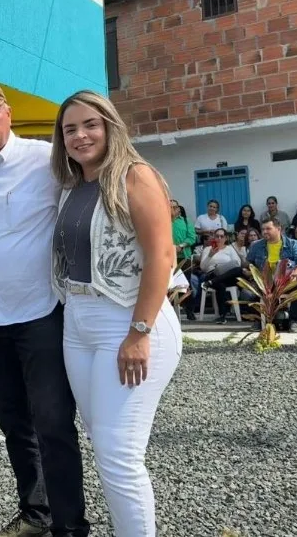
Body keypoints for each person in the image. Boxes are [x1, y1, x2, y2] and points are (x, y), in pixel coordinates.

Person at [0, 80, 88, 537]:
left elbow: (92, 191)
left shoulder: (44, 160)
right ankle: (36, 512)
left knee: (52, 421)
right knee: (13, 422)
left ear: (7, 114)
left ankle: (70, 524)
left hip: (40, 315)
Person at [50, 90, 181, 537]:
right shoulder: (72, 186)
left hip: (127, 321)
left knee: (118, 451)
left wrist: (139, 331)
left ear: (109, 126)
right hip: (79, 321)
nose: (80, 135)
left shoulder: (134, 175)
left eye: (90, 124)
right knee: (103, 442)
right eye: (70, 128)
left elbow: (162, 254)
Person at [241, 216, 297, 333]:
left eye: (268, 229)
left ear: (279, 229)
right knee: (246, 293)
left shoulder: (293, 244)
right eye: (263, 229)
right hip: (264, 282)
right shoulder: (256, 245)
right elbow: (247, 263)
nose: (264, 232)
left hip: (286, 281)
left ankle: (294, 321)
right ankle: (259, 320)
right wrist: (248, 269)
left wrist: (296, 273)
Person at [198, 228, 242, 324]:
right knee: (220, 284)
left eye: (221, 236)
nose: (219, 238)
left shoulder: (230, 249)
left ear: (226, 238)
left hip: (226, 275)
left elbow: (237, 263)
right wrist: (210, 255)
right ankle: (222, 316)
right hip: (212, 273)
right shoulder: (208, 249)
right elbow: (203, 268)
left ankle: (210, 283)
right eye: (217, 236)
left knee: (238, 270)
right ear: (214, 237)